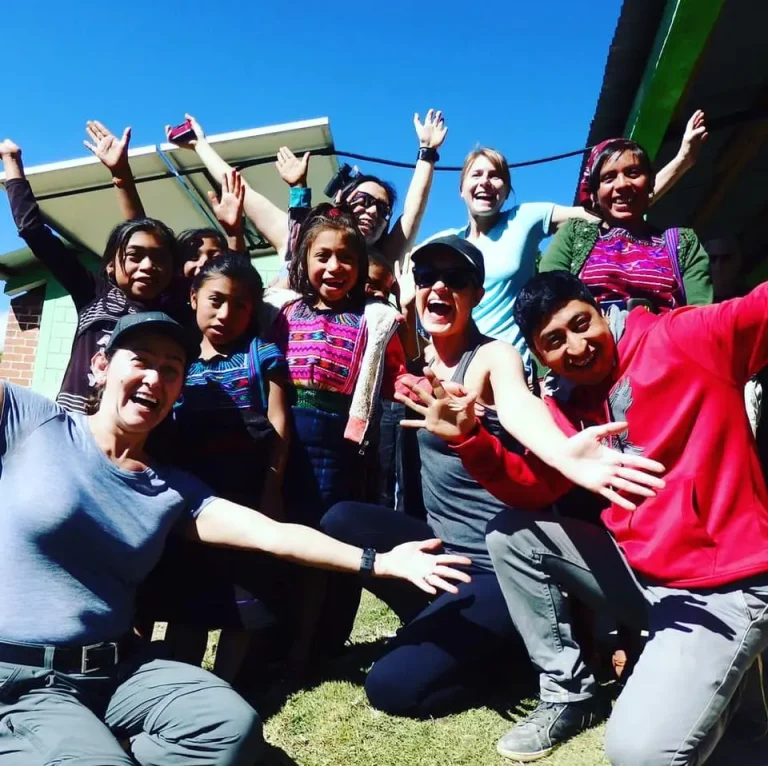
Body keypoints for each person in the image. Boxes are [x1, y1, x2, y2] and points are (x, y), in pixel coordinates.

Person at [0, 309, 472, 764]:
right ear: (101, 367)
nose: (154, 379)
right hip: (22, 676)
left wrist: (379, 562)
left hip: (118, 671)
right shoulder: (32, 422)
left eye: (171, 370)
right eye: (140, 360)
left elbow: (274, 535)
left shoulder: (171, 490)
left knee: (231, 727)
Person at [402, 269, 768, 764]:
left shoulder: (686, 336)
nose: (576, 347)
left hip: (721, 584)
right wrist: (470, 439)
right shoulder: (568, 405)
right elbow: (532, 489)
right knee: (513, 534)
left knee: (640, 754)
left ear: (600, 310)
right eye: (554, 341)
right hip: (643, 581)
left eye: (581, 324)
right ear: (539, 355)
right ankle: (569, 695)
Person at [320, 237, 665, 717]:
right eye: (427, 278)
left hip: (494, 567)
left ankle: (510, 662)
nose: (439, 286)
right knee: (340, 519)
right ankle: (445, 632)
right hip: (441, 554)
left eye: (456, 279)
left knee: (391, 689)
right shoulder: (414, 365)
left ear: (478, 294)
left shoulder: (491, 356)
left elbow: (521, 407)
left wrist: (564, 453)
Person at [424, 111, 708, 374]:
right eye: (476, 174)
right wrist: (426, 155)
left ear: (508, 190)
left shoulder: (526, 218)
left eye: (496, 176)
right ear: (460, 188)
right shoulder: (445, 245)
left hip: (515, 366)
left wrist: (683, 161)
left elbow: (611, 208)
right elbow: (407, 237)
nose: (486, 182)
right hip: (460, 366)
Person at [139, 253, 291, 681]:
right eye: (216, 300)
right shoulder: (177, 357)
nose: (227, 313)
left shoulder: (263, 355)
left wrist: (272, 491)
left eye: (241, 304)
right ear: (193, 297)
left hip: (243, 494)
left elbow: (280, 426)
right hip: (185, 499)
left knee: (241, 598)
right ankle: (186, 685)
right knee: (188, 599)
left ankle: (227, 684)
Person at [0, 138, 183, 414]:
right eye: (134, 257)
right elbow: (34, 232)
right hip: (74, 426)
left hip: (132, 439)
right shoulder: (92, 293)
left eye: (159, 259)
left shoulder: (168, 314)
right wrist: (12, 163)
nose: (147, 266)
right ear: (110, 265)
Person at [265, 204, 411, 524]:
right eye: (323, 256)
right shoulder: (280, 312)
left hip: (339, 443)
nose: (335, 266)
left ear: (360, 266)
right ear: (303, 260)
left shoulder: (375, 320)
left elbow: (397, 378)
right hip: (281, 435)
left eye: (346, 257)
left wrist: (426, 388)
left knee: (327, 521)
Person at [167, 110, 447, 269]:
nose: (372, 210)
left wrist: (427, 153)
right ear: (340, 198)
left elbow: (414, 211)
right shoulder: (296, 239)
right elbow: (244, 193)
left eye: (383, 208)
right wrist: (199, 146)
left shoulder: (382, 258)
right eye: (363, 199)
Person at [540, 136, 713, 311]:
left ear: (651, 182)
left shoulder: (682, 244)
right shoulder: (573, 235)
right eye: (609, 178)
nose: (622, 185)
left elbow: (700, 316)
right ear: (594, 195)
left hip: (666, 337)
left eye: (633, 173)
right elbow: (551, 304)